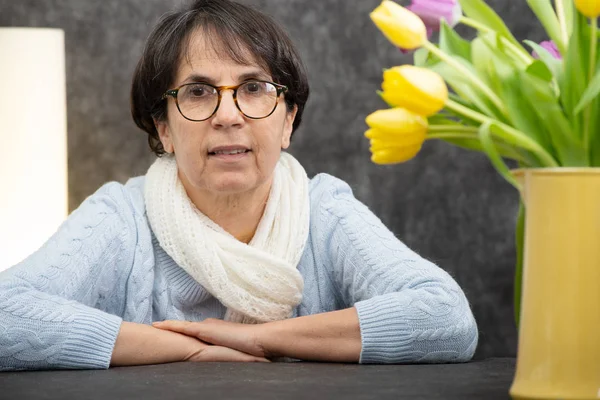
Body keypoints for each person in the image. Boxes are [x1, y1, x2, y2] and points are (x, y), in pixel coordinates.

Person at [0, 0, 478, 370]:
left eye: (254, 88)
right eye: (198, 91)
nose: (228, 115)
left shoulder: (325, 210)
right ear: (163, 128)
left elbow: (446, 318)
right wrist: (187, 351)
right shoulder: (121, 217)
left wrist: (254, 338)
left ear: (288, 120)